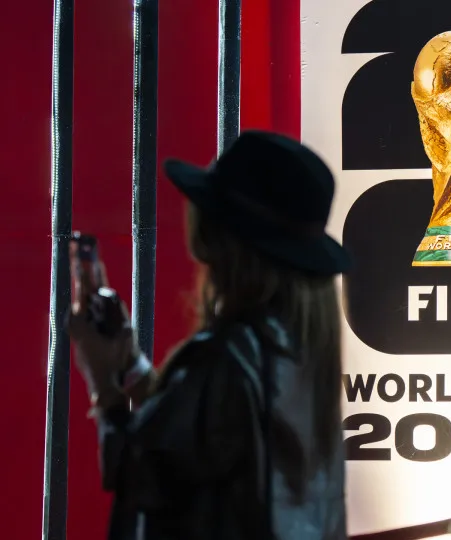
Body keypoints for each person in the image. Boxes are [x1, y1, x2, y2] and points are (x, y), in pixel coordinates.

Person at [68, 131, 350, 540]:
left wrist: (103, 384)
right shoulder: (299, 352)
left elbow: (143, 473)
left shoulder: (228, 358)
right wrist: (128, 364)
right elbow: (205, 441)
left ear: (217, 238)